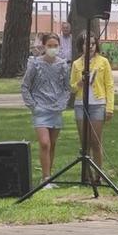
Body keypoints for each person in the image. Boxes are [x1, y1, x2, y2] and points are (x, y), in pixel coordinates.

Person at [21, 33, 70, 188]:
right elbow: (25, 86)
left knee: (52, 144)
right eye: (49, 45)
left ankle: (49, 177)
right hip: (40, 110)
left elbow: (67, 87)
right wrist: (33, 106)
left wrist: (62, 103)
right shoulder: (35, 64)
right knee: (44, 143)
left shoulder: (62, 65)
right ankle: (45, 177)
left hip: (56, 109)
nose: (52, 48)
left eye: (55, 45)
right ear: (43, 46)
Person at [70, 34, 114, 183]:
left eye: (93, 44)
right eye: (86, 44)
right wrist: (80, 83)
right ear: (81, 46)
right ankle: (86, 175)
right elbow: (72, 88)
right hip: (81, 105)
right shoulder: (76, 64)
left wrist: (110, 108)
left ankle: (98, 175)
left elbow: (109, 85)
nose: (89, 47)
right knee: (84, 142)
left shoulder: (103, 62)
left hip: (98, 104)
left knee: (96, 141)